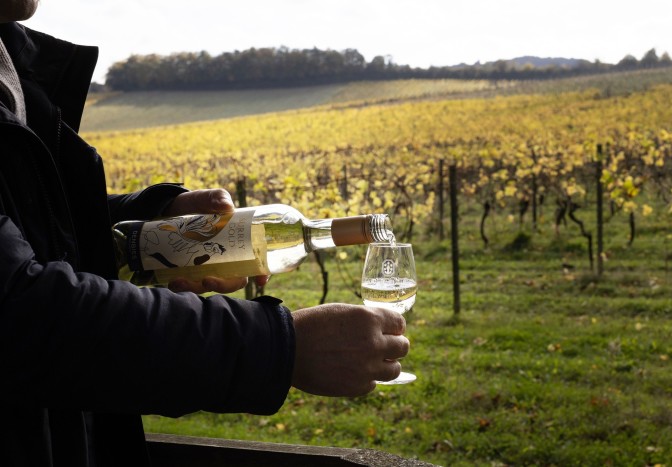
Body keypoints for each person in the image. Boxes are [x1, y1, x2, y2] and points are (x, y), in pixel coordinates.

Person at [0, 1, 410, 466]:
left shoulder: (12, 57)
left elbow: (26, 226)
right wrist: (279, 347)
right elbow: (19, 314)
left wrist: (150, 222)